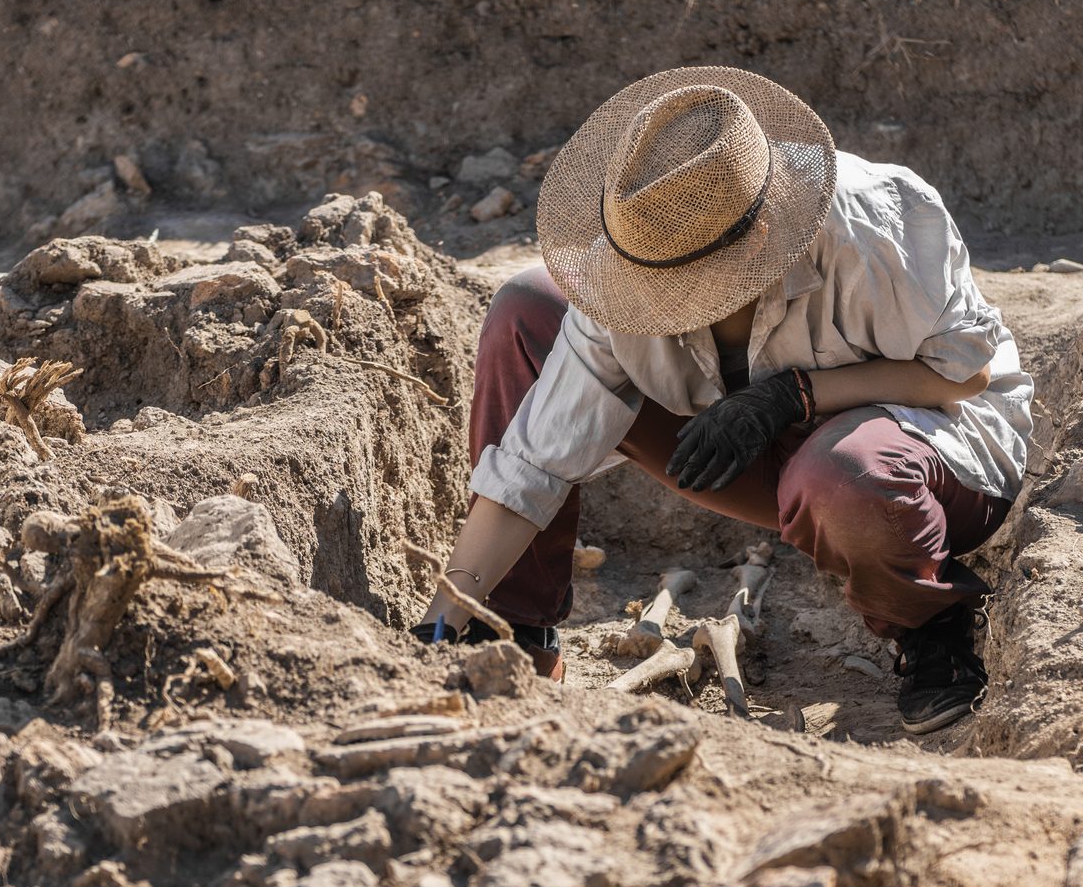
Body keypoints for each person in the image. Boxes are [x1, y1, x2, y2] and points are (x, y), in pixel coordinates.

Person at [413, 66, 1033, 734]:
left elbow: (963, 374)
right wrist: (446, 612)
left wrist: (793, 396)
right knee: (528, 308)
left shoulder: (877, 222)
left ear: (758, 240)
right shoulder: (637, 253)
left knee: (842, 473)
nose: (655, 306)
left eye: (687, 286)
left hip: (930, 455)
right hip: (757, 456)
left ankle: (929, 618)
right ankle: (509, 632)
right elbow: (534, 457)